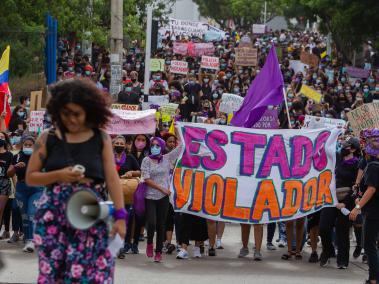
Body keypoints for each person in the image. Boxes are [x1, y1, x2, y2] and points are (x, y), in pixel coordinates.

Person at [26, 79, 126, 283]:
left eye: (77, 113)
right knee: (53, 274)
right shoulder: (47, 138)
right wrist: (59, 175)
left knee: (92, 274)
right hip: (53, 215)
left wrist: (121, 216)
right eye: (66, 113)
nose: (71, 119)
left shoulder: (102, 138)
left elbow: (113, 179)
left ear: (89, 111)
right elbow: (31, 177)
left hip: (90, 213)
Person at [319, 138, 359, 268]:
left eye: (347, 145)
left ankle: (342, 261)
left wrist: (345, 203)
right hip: (331, 199)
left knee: (342, 231)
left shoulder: (357, 165)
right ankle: (328, 250)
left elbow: (356, 187)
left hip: (346, 201)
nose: (343, 146)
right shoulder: (336, 160)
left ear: (353, 149)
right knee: (324, 227)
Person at [141, 136, 182, 262]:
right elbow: (146, 179)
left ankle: (158, 251)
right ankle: (149, 244)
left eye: (157, 145)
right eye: (152, 145)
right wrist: (162, 188)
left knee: (161, 225)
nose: (155, 148)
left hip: (164, 198)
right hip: (150, 196)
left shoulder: (167, 158)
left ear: (162, 146)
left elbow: (181, 147)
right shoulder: (146, 160)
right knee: (152, 223)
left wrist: (178, 130)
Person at [350, 129, 379, 284]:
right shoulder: (373, 164)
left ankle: (373, 279)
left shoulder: (374, 166)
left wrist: (357, 207)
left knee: (369, 246)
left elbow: (372, 189)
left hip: (373, 212)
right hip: (373, 210)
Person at [8, 136, 44, 252]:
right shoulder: (17, 156)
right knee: (24, 216)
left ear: (34, 146)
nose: (28, 147)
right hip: (21, 188)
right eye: (26, 145)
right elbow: (9, 173)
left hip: (36, 188)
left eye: (30, 145)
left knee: (31, 213)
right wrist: (15, 167)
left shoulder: (40, 156)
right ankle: (28, 238)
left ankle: (31, 240)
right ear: (22, 145)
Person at [112, 135, 141, 258]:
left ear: (125, 146)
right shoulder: (108, 157)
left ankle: (120, 247)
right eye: (117, 143)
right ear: (113, 145)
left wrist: (131, 173)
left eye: (121, 143)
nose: (119, 145)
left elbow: (140, 171)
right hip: (111, 192)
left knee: (124, 220)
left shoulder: (130, 158)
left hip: (126, 193)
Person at [0, 132, 13, 239]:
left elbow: (11, 173)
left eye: (2, 137)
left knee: (0, 209)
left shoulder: (9, 155)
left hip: (4, 183)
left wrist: (16, 187)